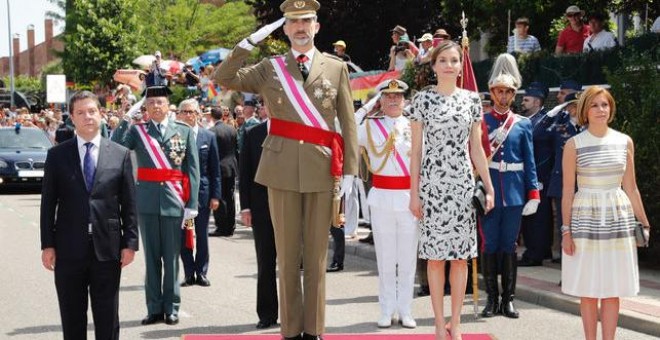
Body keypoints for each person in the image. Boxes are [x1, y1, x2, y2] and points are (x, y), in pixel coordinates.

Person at [214, 0, 359, 338]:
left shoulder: (336, 68)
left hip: (322, 169)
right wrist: (248, 43)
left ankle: (314, 330)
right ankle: (291, 331)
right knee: (287, 257)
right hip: (279, 170)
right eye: (293, 21)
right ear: (284, 28)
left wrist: (350, 170)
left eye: (307, 20)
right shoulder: (271, 67)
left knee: (317, 258)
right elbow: (224, 78)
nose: (300, 27)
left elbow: (348, 122)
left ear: (317, 26)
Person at [409, 41, 495, 339]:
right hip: (432, 187)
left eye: (454, 60)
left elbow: (476, 148)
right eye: (442, 60)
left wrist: (489, 186)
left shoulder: (472, 101)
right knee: (434, 258)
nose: (448, 65)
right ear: (433, 66)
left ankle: (456, 324)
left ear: (461, 66)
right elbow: (416, 152)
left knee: (460, 258)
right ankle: (437, 322)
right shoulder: (421, 100)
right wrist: (413, 192)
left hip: (461, 187)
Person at [40, 91, 139, 339]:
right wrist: (47, 244)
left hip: (107, 249)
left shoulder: (120, 154)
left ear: (101, 114)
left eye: (92, 111)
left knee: (107, 317)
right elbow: (48, 203)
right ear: (72, 117)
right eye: (81, 113)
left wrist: (130, 243)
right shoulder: (57, 155)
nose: (87, 117)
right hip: (68, 249)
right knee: (72, 317)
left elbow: (129, 203)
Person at [561, 86, 651, 340]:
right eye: (594, 105)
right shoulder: (573, 145)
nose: (601, 110)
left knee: (613, 289)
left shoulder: (624, 141)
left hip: (618, 219)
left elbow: (631, 188)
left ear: (611, 109)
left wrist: (644, 222)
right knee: (588, 289)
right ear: (584, 111)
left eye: (605, 105)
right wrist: (566, 231)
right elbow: (567, 191)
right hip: (584, 219)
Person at [111, 85, 200, 326]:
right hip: (147, 202)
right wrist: (127, 116)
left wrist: (192, 205)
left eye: (159, 103)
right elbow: (115, 145)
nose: (155, 107)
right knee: (151, 259)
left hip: (174, 202)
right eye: (150, 104)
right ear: (146, 107)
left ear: (168, 106)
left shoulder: (183, 131)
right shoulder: (138, 131)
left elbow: (192, 169)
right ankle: (154, 308)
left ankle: (172, 307)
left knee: (171, 258)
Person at [480, 54, 540, 320]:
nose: (503, 97)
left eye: (508, 92)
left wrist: (533, 193)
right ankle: (491, 299)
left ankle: (509, 300)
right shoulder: (482, 122)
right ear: (492, 93)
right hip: (490, 191)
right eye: (499, 92)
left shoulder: (523, 124)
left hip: (514, 193)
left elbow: (530, 161)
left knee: (510, 245)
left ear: (514, 95)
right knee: (490, 243)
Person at [358, 79, 419, 329]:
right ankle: (386, 309)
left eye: (398, 96)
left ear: (404, 100)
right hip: (382, 196)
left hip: (408, 196)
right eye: (388, 96)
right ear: (381, 100)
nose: (393, 100)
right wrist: (368, 105)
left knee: (407, 259)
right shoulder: (370, 126)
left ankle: (405, 309)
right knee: (385, 258)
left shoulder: (415, 125)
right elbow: (345, 126)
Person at [239, 108, 280, 330]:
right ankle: (267, 313)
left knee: (292, 264)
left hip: (290, 206)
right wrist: (245, 207)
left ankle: (295, 314)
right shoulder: (253, 133)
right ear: (264, 107)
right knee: (265, 262)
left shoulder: (294, 130)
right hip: (261, 208)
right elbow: (244, 172)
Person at [176, 99, 221, 287]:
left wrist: (216, 196)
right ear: (178, 114)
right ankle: (188, 273)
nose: (188, 115)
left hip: (202, 193)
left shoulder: (208, 137)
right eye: (184, 112)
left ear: (198, 114)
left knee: (201, 234)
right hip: (180, 194)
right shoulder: (174, 136)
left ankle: (201, 272)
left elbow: (214, 169)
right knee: (184, 234)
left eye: (191, 112)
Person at [518, 83, 555, 267]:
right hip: (528, 178)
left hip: (540, 177)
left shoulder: (543, 121)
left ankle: (535, 253)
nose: (522, 102)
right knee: (531, 218)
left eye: (526, 99)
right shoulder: (528, 120)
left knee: (538, 219)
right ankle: (537, 250)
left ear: (537, 101)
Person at [546, 92, 582, 263]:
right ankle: (566, 265)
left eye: (579, 105)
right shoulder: (559, 128)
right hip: (562, 184)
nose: (576, 109)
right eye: (572, 105)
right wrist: (554, 112)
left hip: (584, 185)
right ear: (567, 108)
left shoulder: (589, 128)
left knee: (582, 229)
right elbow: (538, 133)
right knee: (565, 225)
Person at [208, 107, 238, 237]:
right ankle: (231, 225)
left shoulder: (211, 131)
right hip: (231, 166)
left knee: (219, 197)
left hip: (219, 168)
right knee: (230, 197)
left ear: (212, 116)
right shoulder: (232, 129)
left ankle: (221, 227)